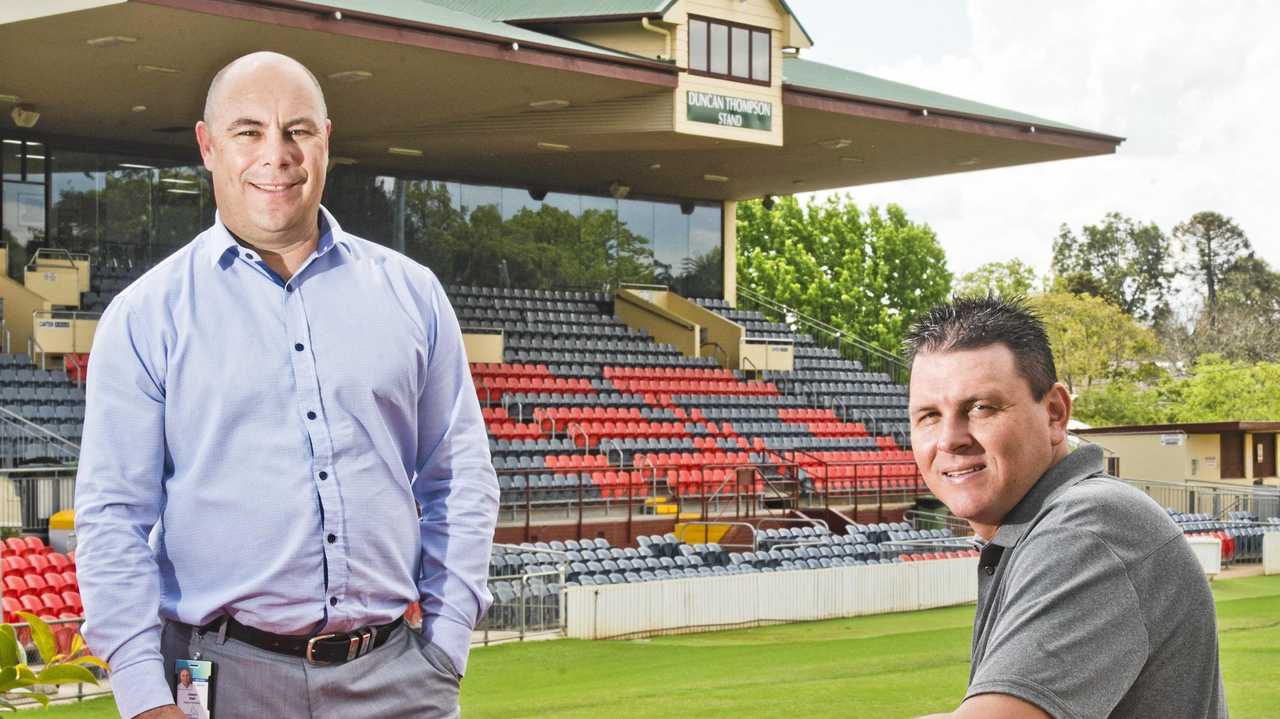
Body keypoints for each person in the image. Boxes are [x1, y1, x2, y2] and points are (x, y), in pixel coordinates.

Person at [74, 51, 499, 719]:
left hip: (397, 681)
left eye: (297, 129)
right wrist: (143, 696)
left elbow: (461, 477)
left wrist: (446, 646)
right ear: (207, 147)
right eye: (248, 131)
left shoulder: (412, 295)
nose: (277, 154)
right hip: (221, 684)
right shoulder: (146, 316)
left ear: (325, 140)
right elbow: (112, 519)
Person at [903, 296, 1226, 719]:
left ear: (1055, 413)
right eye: (928, 415)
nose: (949, 439)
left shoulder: (1088, 527)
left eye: (980, 408)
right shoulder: (1039, 526)